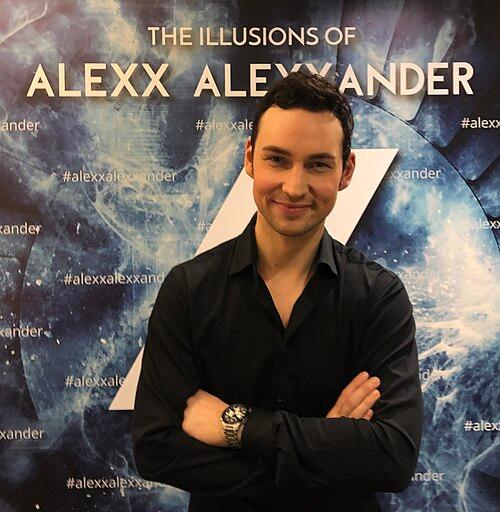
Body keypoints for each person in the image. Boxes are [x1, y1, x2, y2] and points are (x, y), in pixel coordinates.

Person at [132, 70, 424, 511]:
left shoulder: (379, 297)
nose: (294, 186)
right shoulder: (189, 289)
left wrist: (236, 425)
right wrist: (327, 447)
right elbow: (157, 448)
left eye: (318, 164)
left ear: (346, 171)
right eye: (277, 160)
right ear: (250, 158)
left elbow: (392, 458)